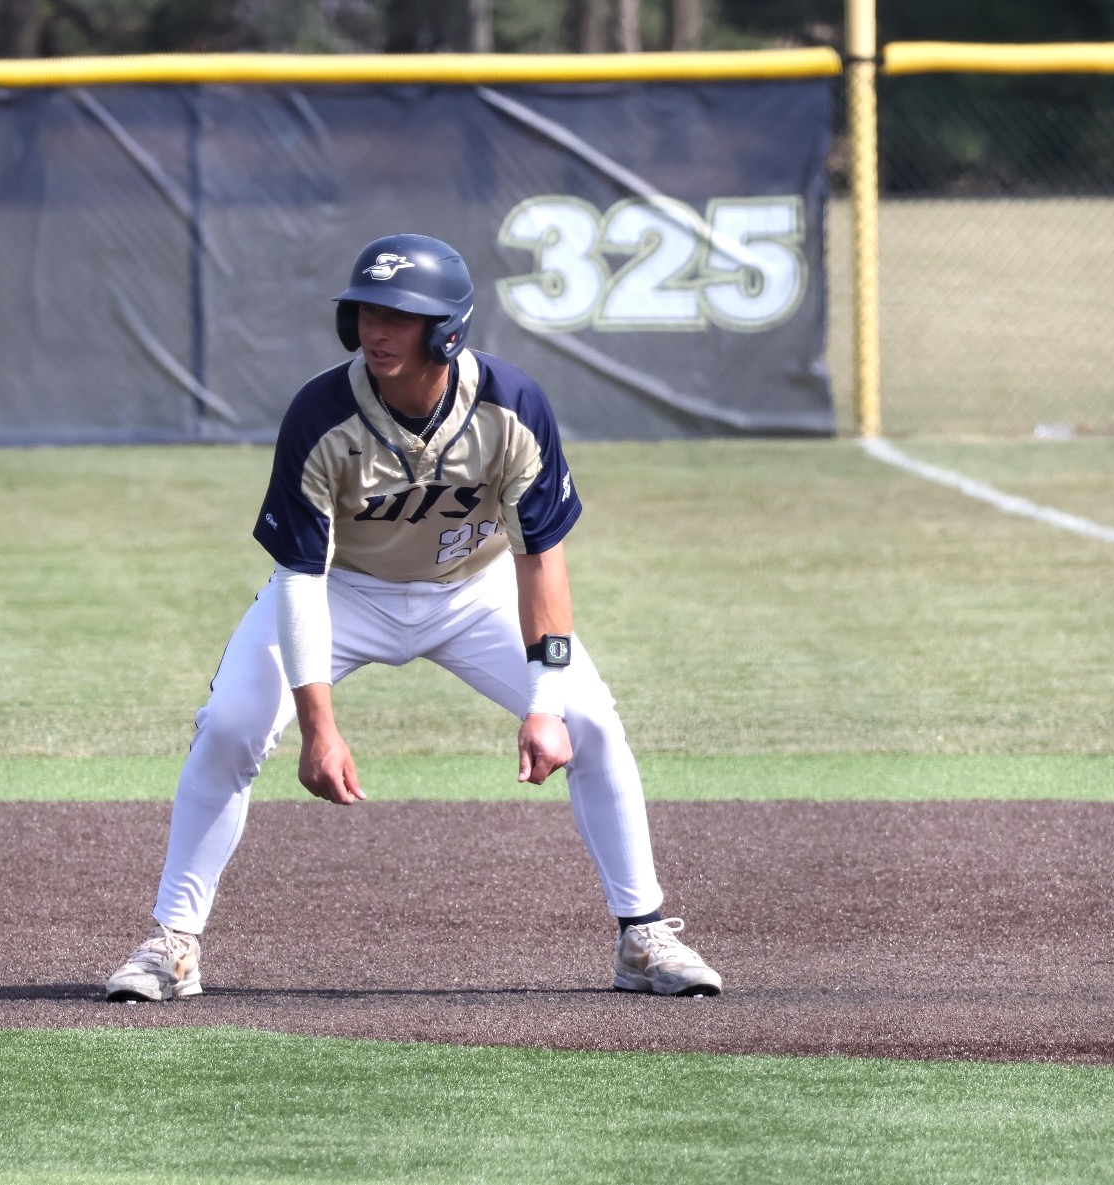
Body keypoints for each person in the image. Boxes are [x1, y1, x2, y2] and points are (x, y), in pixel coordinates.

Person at [104, 233, 722, 1002]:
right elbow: (299, 579)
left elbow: (541, 558)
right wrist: (319, 726)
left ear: (447, 331)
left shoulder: (512, 406)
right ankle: (173, 943)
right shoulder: (321, 414)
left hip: (474, 591)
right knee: (230, 723)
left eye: (398, 315)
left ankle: (644, 936)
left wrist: (544, 703)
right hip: (342, 592)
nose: (374, 328)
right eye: (364, 310)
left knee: (589, 721)